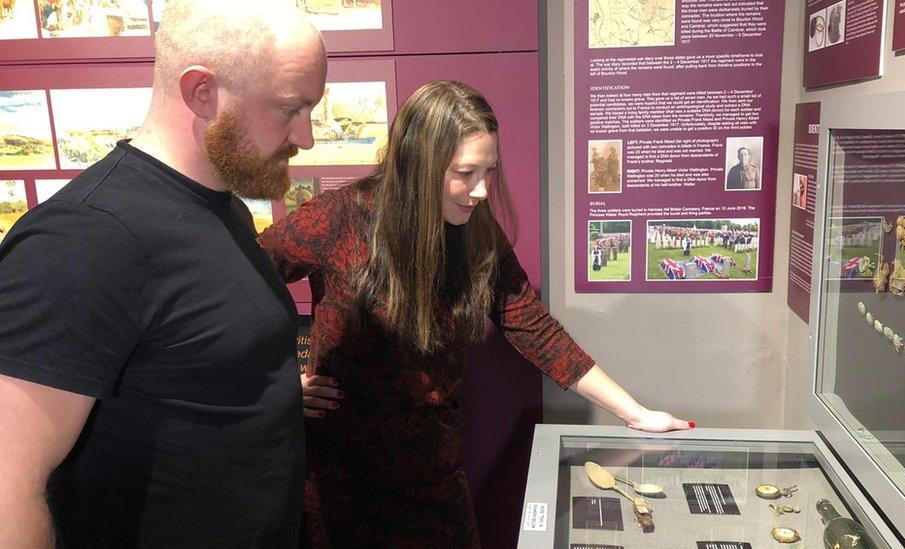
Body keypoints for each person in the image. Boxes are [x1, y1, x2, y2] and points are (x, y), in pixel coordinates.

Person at [259, 81, 693, 547]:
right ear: (419, 165)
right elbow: (241, 287)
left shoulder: (476, 232)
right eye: (465, 173)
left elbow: (532, 325)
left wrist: (635, 412)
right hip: (337, 473)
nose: (482, 190)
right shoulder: (339, 217)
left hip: (432, 465)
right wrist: (274, 384)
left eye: (489, 170)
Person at [0, 1, 327, 546]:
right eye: (290, 108)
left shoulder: (225, 207)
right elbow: (9, 483)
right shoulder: (85, 239)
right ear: (202, 91)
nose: (307, 136)